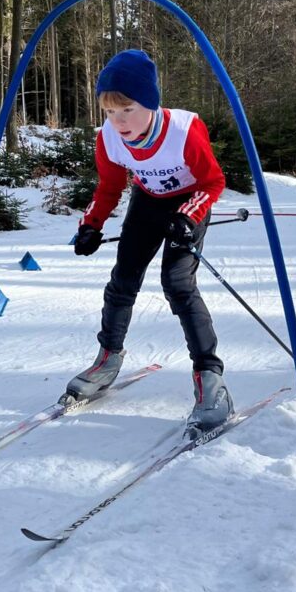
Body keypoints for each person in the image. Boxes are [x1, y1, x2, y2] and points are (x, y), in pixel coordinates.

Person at [64, 49, 232, 433]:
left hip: (190, 202)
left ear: (151, 104)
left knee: (177, 283)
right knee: (123, 278)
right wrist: (91, 224)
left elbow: (213, 182)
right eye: (109, 111)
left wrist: (188, 217)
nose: (118, 121)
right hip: (147, 202)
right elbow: (109, 185)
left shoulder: (184, 130)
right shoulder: (109, 138)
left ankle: (210, 378)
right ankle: (107, 360)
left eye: (127, 109)